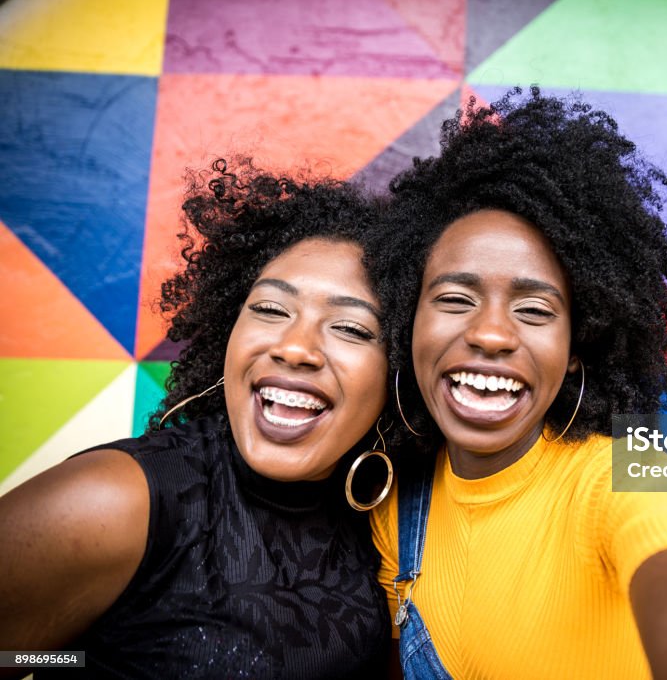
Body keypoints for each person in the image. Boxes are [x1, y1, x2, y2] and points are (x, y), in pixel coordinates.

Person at [369, 88, 667, 679]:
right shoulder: (396, 507)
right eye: (453, 298)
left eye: (536, 310)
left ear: (577, 350)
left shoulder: (630, 478)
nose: (491, 333)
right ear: (405, 320)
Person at [0, 160, 394, 679]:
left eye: (349, 328)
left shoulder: (389, 516)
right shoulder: (115, 500)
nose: (295, 347)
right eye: (271, 310)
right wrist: (89, 663)